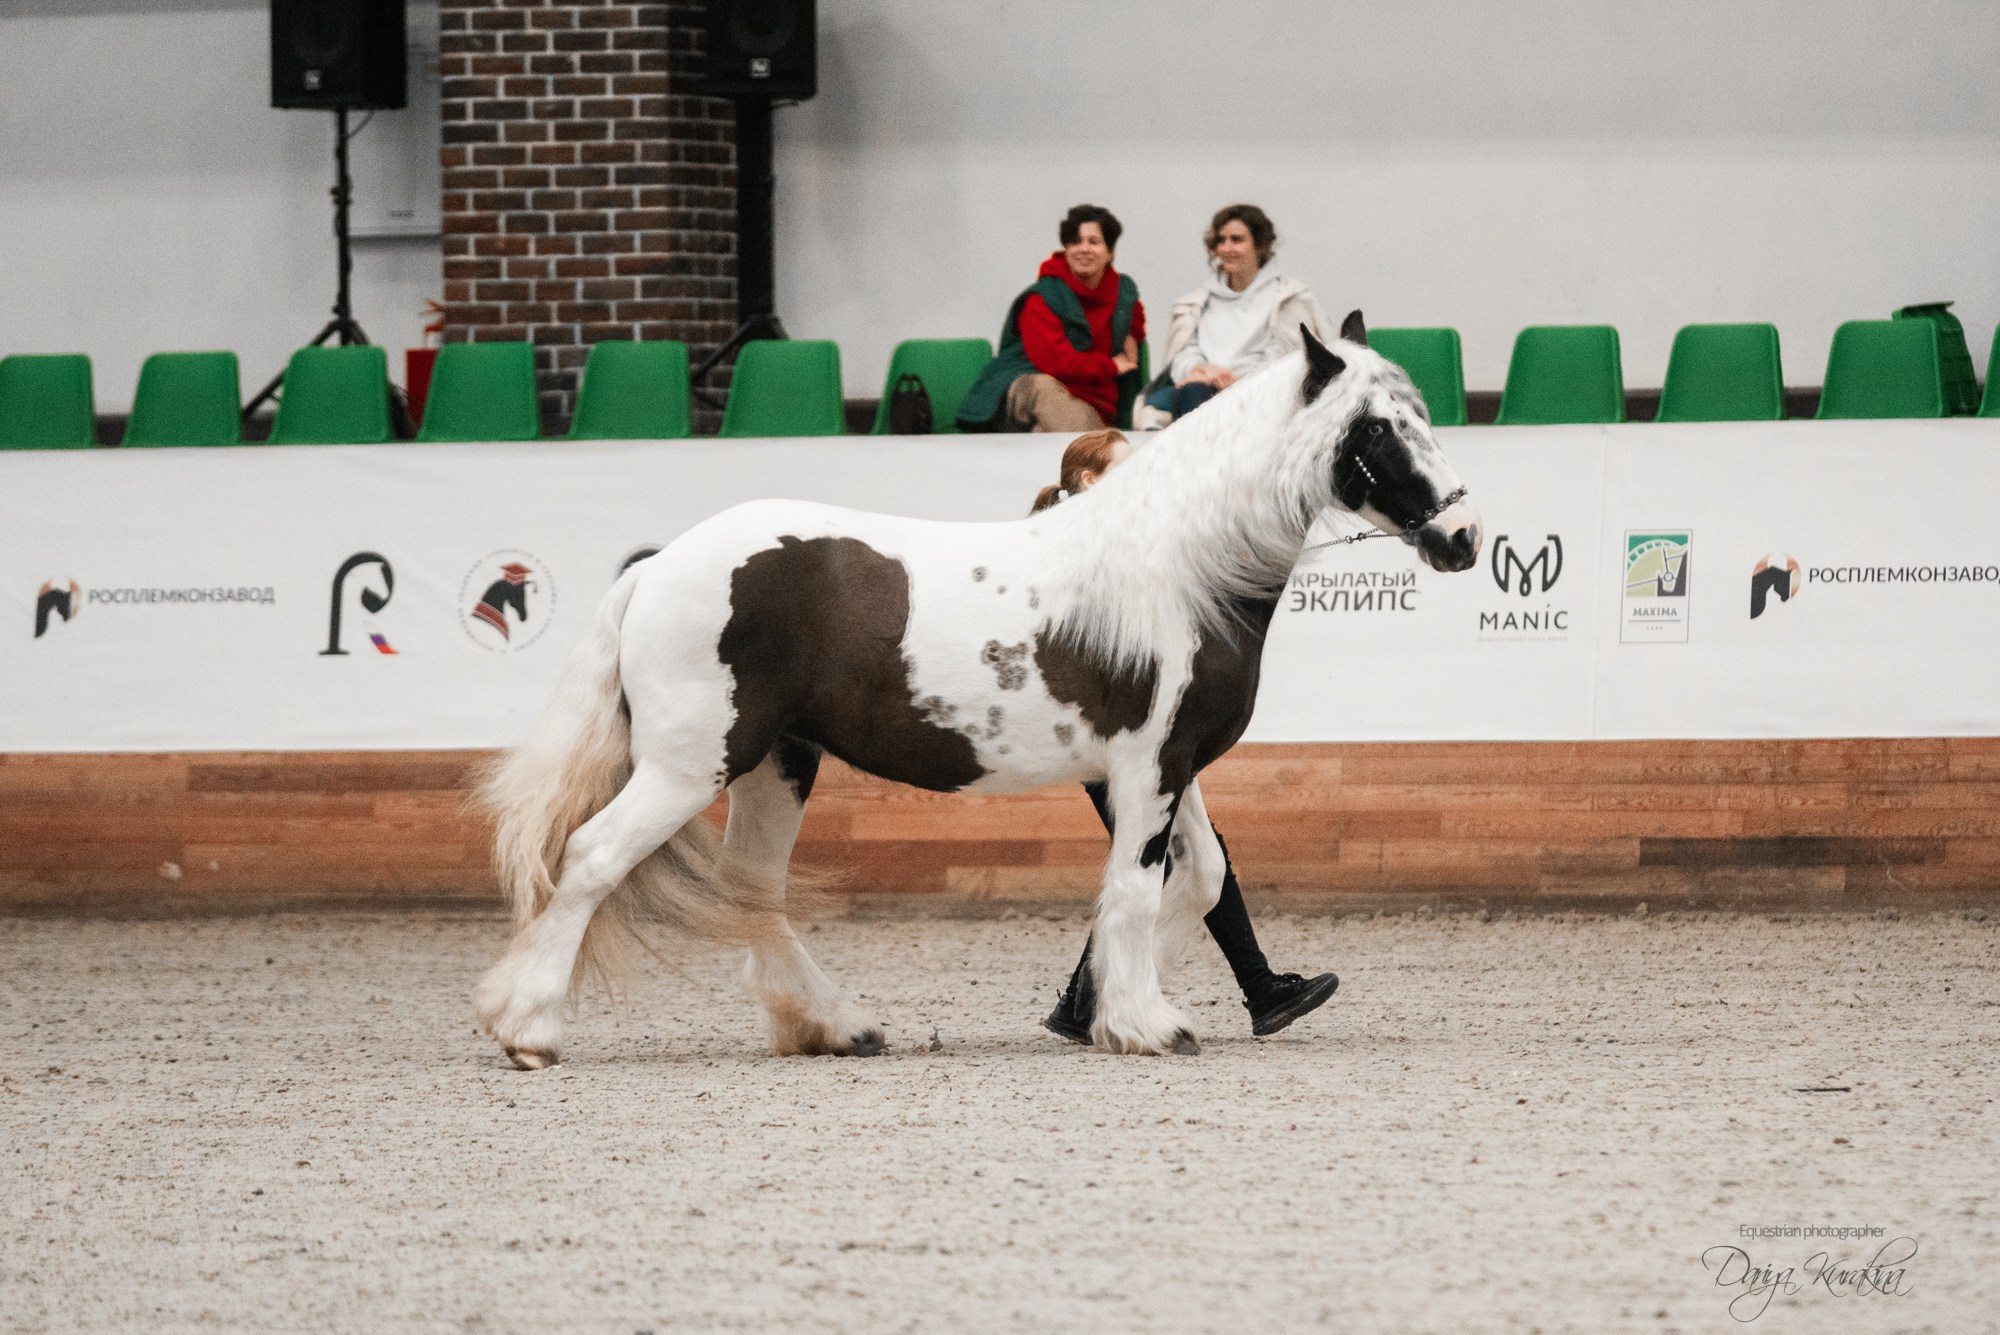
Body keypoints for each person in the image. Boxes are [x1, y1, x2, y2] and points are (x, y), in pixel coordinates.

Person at [1031, 428, 1340, 1043]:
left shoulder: (1103, 532)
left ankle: (1247, 990)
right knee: (1168, 855)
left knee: (1185, 855)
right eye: (1127, 467)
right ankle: (1248, 991)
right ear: (1091, 480)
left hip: (1135, 725)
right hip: (1115, 732)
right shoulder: (1080, 536)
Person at [956, 205, 1147, 433]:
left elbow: (1133, 312)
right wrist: (1110, 366)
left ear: (1110, 251)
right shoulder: (1042, 298)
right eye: (1075, 242)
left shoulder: (1122, 292)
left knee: (1046, 435)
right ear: (1066, 248)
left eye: (1093, 242)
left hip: (1092, 404)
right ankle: (1094, 451)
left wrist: (1132, 334)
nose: (1083, 249)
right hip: (1035, 388)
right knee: (1042, 388)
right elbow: (1057, 363)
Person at [1137, 203, 1331, 427]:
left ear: (1260, 246)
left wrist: (1235, 381)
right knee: (1186, 395)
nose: (1226, 248)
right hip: (1199, 389)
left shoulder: (1288, 299)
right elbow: (1184, 354)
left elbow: (1288, 361)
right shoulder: (1198, 302)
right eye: (1221, 240)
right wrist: (1200, 370)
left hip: (1260, 396)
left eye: (1237, 240)